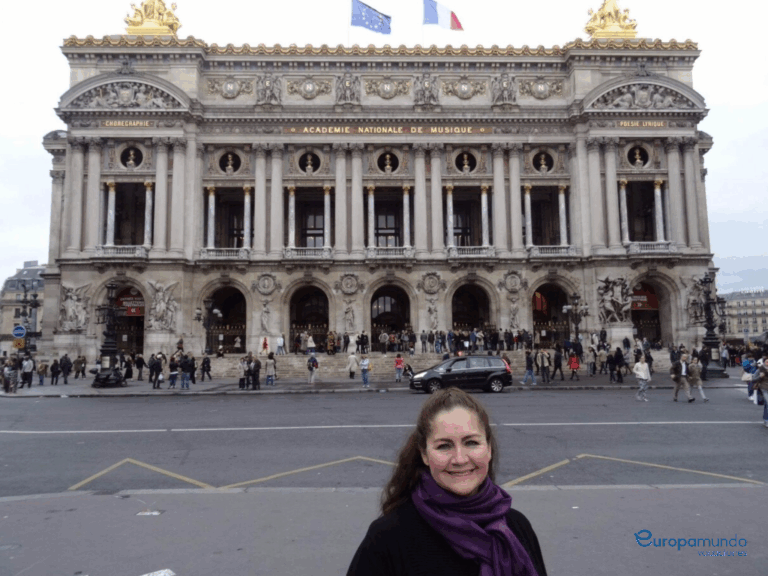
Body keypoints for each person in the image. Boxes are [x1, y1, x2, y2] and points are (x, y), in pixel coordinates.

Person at [346, 387, 547, 576]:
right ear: (424, 454)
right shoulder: (387, 537)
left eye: (471, 442)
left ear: (489, 448)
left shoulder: (517, 526)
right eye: (444, 446)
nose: (459, 459)